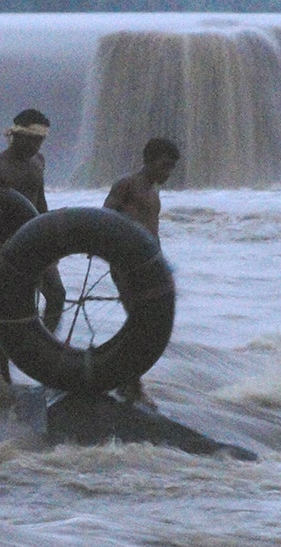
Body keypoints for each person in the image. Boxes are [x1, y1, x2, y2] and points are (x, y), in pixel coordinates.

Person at [0, 108, 66, 391]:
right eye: (33, 140)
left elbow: (40, 201)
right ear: (17, 135)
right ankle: (4, 373)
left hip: (35, 237)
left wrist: (52, 234)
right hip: (2, 243)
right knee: (3, 308)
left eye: (41, 142)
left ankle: (41, 354)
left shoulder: (38, 161)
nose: (38, 147)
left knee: (56, 294)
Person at [102, 137, 180, 407]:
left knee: (145, 322)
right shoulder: (127, 185)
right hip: (125, 262)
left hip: (146, 263)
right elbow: (105, 217)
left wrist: (162, 265)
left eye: (172, 168)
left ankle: (129, 380)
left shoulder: (153, 194)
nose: (167, 173)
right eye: (164, 166)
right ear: (149, 161)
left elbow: (153, 233)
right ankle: (130, 383)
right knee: (138, 321)